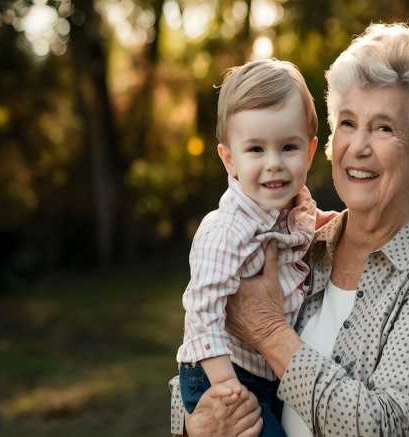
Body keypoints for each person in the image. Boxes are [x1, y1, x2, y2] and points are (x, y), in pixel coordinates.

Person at [171, 22, 409, 437]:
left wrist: (270, 333)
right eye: (348, 123)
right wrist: (194, 426)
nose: (359, 147)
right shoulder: (299, 244)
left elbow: (388, 428)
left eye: (383, 127)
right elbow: (202, 366)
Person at [175, 58, 319, 437]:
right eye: (256, 150)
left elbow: (310, 227)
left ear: (310, 152)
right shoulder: (226, 229)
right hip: (220, 371)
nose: (274, 164)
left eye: (288, 147)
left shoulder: (295, 205)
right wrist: (225, 386)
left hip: (264, 371)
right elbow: (202, 309)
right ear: (229, 159)